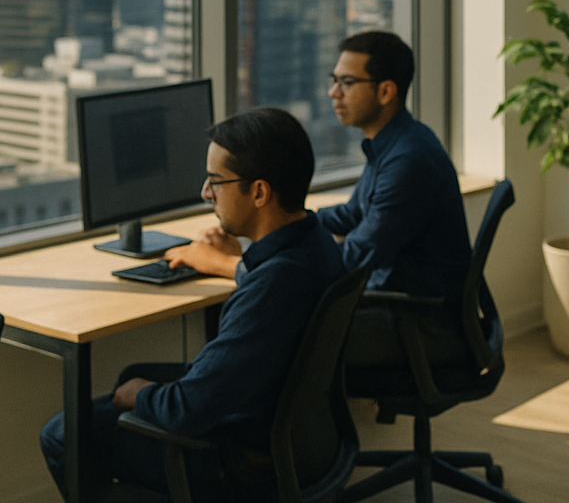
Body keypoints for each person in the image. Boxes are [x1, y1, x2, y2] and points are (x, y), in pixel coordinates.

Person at [39, 107, 345, 501]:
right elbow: (272, 290)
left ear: (259, 193)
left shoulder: (274, 286)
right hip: (293, 440)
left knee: (63, 436)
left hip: (236, 464)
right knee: (135, 372)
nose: (205, 193)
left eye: (216, 181)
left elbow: (187, 411)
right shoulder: (314, 240)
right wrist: (225, 263)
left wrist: (136, 395)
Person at [168, 30, 471, 369]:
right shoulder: (395, 145)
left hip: (420, 325)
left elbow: (351, 261)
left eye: (347, 82)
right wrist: (276, 221)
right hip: (398, 307)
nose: (333, 92)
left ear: (386, 91)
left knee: (276, 345)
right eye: (334, 80)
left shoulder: (409, 162)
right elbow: (351, 214)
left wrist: (224, 262)